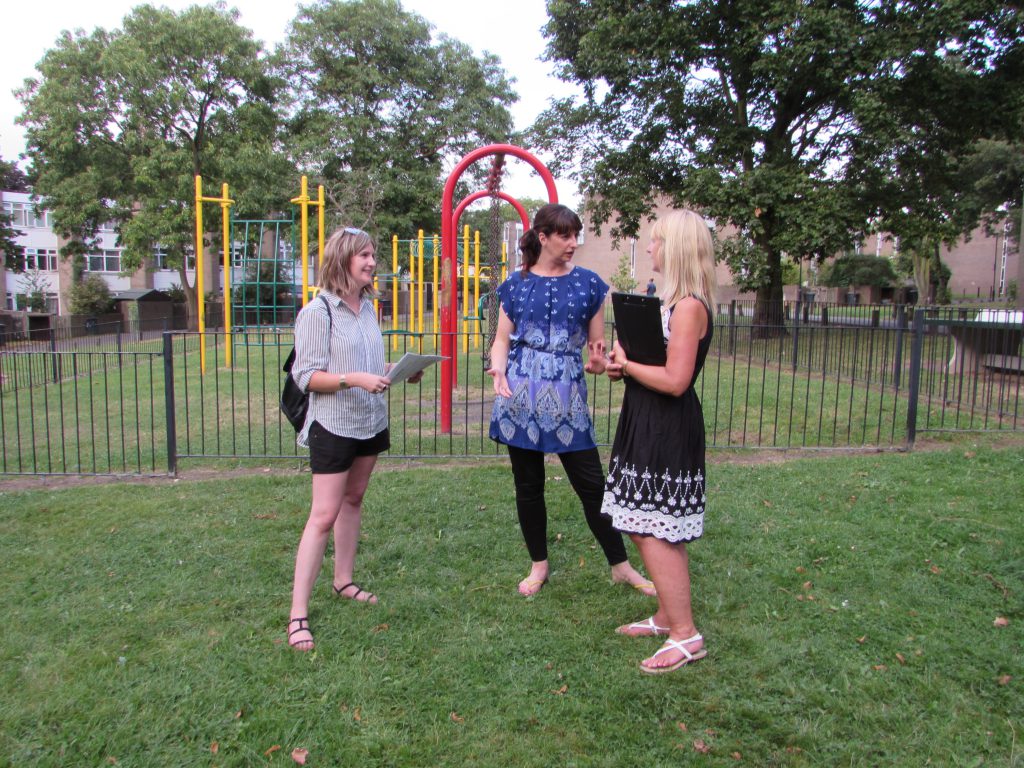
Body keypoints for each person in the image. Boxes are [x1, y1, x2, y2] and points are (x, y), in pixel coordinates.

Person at [487, 203, 654, 598]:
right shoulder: (515, 284)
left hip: (567, 399)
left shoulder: (589, 285)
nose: (573, 243)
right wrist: (498, 368)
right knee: (528, 486)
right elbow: (501, 340)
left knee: (593, 485)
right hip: (519, 397)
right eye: (564, 235)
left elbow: (596, 354)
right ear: (542, 237)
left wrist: (598, 361)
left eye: (576, 235)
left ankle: (620, 565)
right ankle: (538, 565)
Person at [286, 226, 422, 652]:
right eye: (363, 255)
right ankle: (297, 615)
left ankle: (343, 580)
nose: (371, 262)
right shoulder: (317, 312)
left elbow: (365, 362)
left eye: (372, 255)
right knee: (323, 515)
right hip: (333, 425)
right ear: (342, 259)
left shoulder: (367, 309)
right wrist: (353, 380)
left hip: (370, 421)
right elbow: (306, 376)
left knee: (354, 500)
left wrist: (397, 369)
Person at [602, 209, 717, 674]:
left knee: (656, 525)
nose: (649, 248)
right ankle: (668, 613)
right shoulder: (668, 304)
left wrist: (629, 367)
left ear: (677, 248)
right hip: (644, 418)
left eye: (655, 241)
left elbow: (675, 380)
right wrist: (618, 365)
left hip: (667, 424)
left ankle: (685, 634)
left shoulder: (689, 306)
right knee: (639, 521)